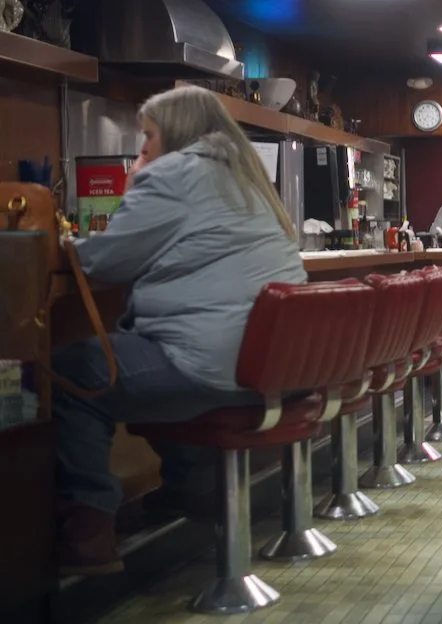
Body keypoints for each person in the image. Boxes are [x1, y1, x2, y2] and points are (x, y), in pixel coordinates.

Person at [52, 86, 307, 577]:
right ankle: (190, 491)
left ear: (176, 133)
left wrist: (62, 243)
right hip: (276, 366)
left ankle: (87, 535)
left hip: (221, 364)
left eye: (148, 135)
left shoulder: (172, 175)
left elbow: (105, 260)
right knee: (158, 356)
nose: (143, 147)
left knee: (72, 372)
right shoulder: (246, 178)